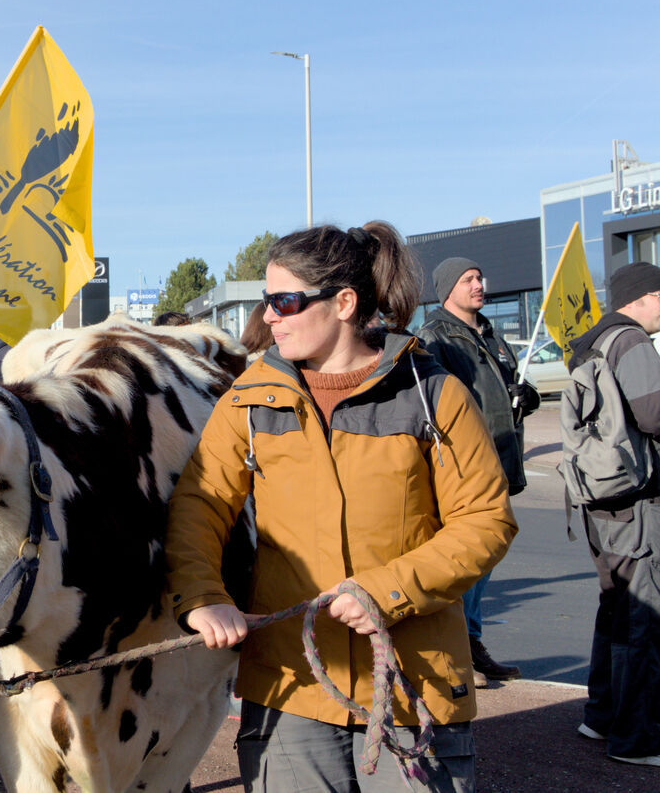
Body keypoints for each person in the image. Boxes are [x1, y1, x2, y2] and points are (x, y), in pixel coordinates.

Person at [166, 222, 518, 792]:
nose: (269, 317)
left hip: (413, 682)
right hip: (290, 687)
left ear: (345, 303)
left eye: (285, 301)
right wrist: (202, 595)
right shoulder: (248, 401)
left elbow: (485, 520)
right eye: (267, 301)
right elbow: (198, 505)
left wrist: (388, 591)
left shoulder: (433, 394)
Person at [417, 257, 537, 686]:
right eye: (468, 279)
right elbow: (436, 402)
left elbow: (501, 390)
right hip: (465, 464)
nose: (478, 284)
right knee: (466, 559)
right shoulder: (436, 337)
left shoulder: (489, 334)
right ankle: (458, 650)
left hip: (499, 457)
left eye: (479, 277)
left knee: (485, 560)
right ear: (448, 288)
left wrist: (526, 397)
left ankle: (471, 641)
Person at [566, 261, 660, 767]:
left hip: (601, 496)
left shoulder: (594, 341)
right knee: (642, 618)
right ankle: (636, 738)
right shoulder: (632, 340)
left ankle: (601, 715)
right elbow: (654, 414)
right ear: (643, 296)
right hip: (636, 500)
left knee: (616, 608)